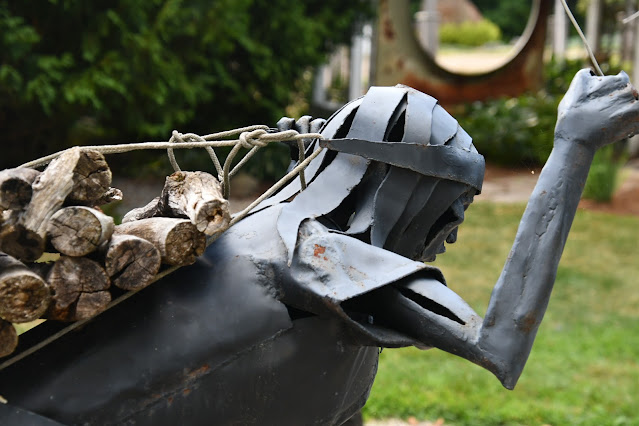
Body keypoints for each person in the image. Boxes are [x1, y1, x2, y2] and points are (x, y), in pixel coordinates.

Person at [0, 70, 637, 426]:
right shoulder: (313, 253)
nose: (452, 233)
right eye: (452, 209)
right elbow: (500, 344)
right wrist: (573, 147)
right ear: (401, 191)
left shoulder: (277, 235)